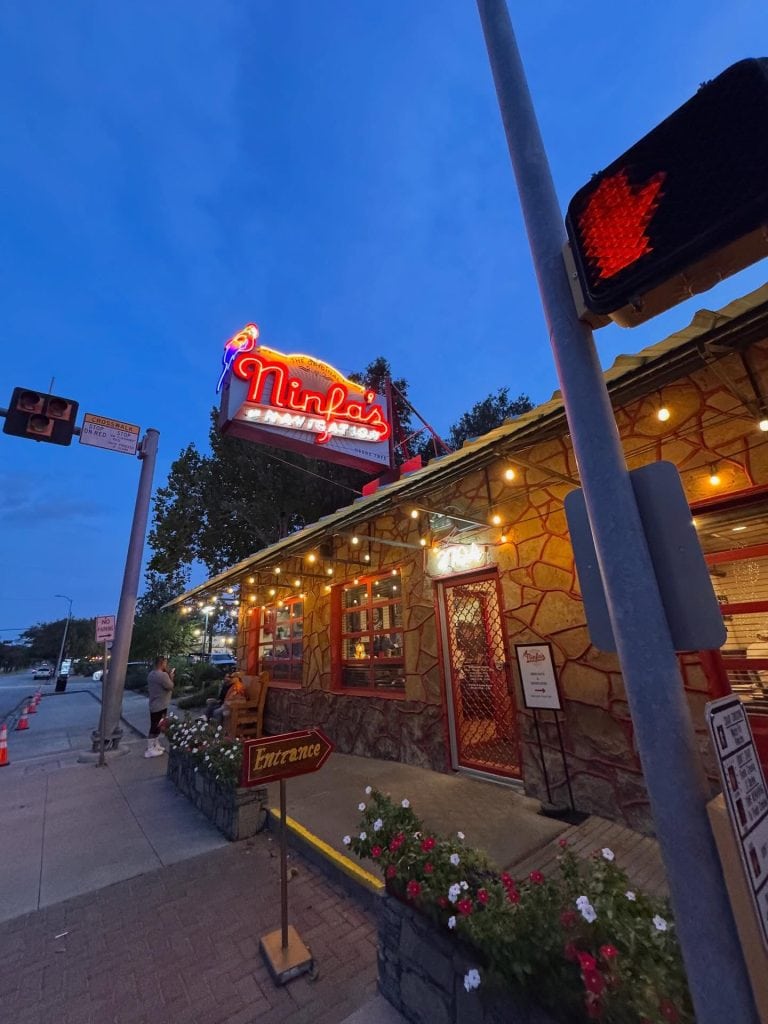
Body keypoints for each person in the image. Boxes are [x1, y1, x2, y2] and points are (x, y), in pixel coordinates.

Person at [145, 656, 175, 758]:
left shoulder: (151, 674)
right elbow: (170, 686)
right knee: (156, 726)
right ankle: (149, 748)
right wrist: (171, 676)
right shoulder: (162, 675)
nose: (166, 665)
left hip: (154, 703)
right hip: (161, 704)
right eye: (165, 663)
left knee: (158, 725)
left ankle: (155, 744)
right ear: (161, 663)